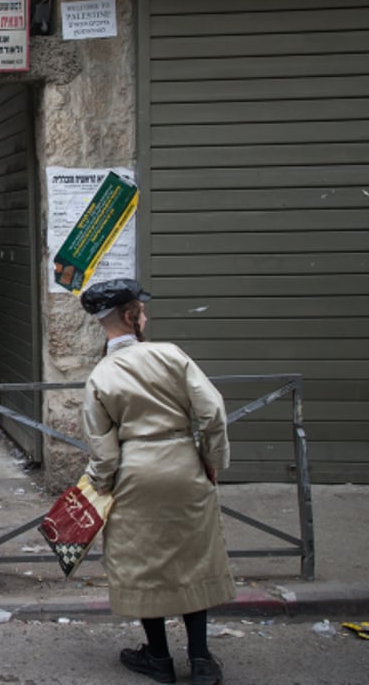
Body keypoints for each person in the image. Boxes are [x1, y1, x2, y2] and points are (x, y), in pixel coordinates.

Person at [79, 278, 234, 685]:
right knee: (191, 558)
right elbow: (212, 411)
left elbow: (103, 449)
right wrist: (211, 459)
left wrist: (100, 484)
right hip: (183, 465)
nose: (146, 315)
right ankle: (200, 659)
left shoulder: (101, 375)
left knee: (144, 564)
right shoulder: (170, 355)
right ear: (132, 316)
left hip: (135, 475)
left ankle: (159, 659)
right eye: (142, 310)